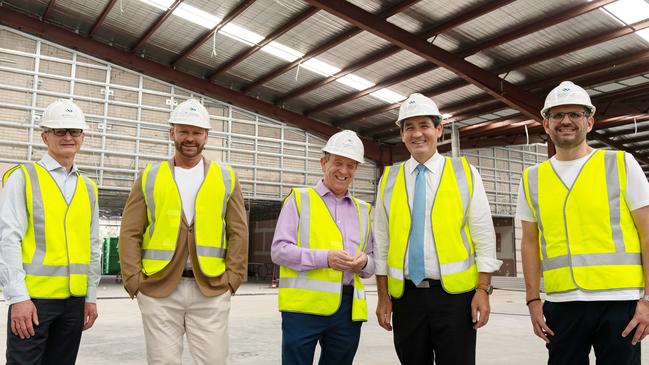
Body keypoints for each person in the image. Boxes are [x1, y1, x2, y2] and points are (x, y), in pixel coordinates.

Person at [518, 81, 649, 365]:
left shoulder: (621, 163)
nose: (566, 121)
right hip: (562, 303)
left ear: (590, 122)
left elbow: (647, 234)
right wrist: (532, 300)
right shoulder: (532, 178)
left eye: (575, 114)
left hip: (620, 302)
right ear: (546, 124)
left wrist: (648, 300)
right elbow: (529, 242)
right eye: (557, 115)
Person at [373, 93, 502, 365]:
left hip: (455, 299)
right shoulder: (388, 179)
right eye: (409, 127)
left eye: (424, 125)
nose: (417, 133)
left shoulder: (465, 173)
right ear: (402, 134)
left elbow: (483, 233)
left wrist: (483, 289)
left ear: (438, 130)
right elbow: (382, 243)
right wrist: (383, 296)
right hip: (406, 298)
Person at [118, 99, 248, 365]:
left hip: (211, 288)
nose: (190, 138)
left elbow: (238, 232)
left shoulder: (226, 177)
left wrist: (233, 278)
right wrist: (134, 280)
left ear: (206, 136)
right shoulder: (149, 177)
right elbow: (130, 232)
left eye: (197, 132)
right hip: (158, 289)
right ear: (172, 133)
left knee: (213, 361)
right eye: (183, 131)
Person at [0, 99, 100, 364]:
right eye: (59, 131)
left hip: (74, 301)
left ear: (83, 137)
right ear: (45, 136)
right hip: (34, 300)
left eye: (74, 131)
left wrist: (90, 296)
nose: (68, 137)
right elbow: (7, 240)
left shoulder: (88, 187)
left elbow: (92, 246)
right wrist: (18, 297)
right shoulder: (22, 177)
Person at [271, 129, 375, 365]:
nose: (344, 171)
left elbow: (372, 261)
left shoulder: (363, 210)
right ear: (323, 163)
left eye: (351, 165)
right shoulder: (299, 199)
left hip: (348, 311)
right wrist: (325, 258)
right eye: (338, 163)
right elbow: (278, 250)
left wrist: (364, 263)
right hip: (303, 310)